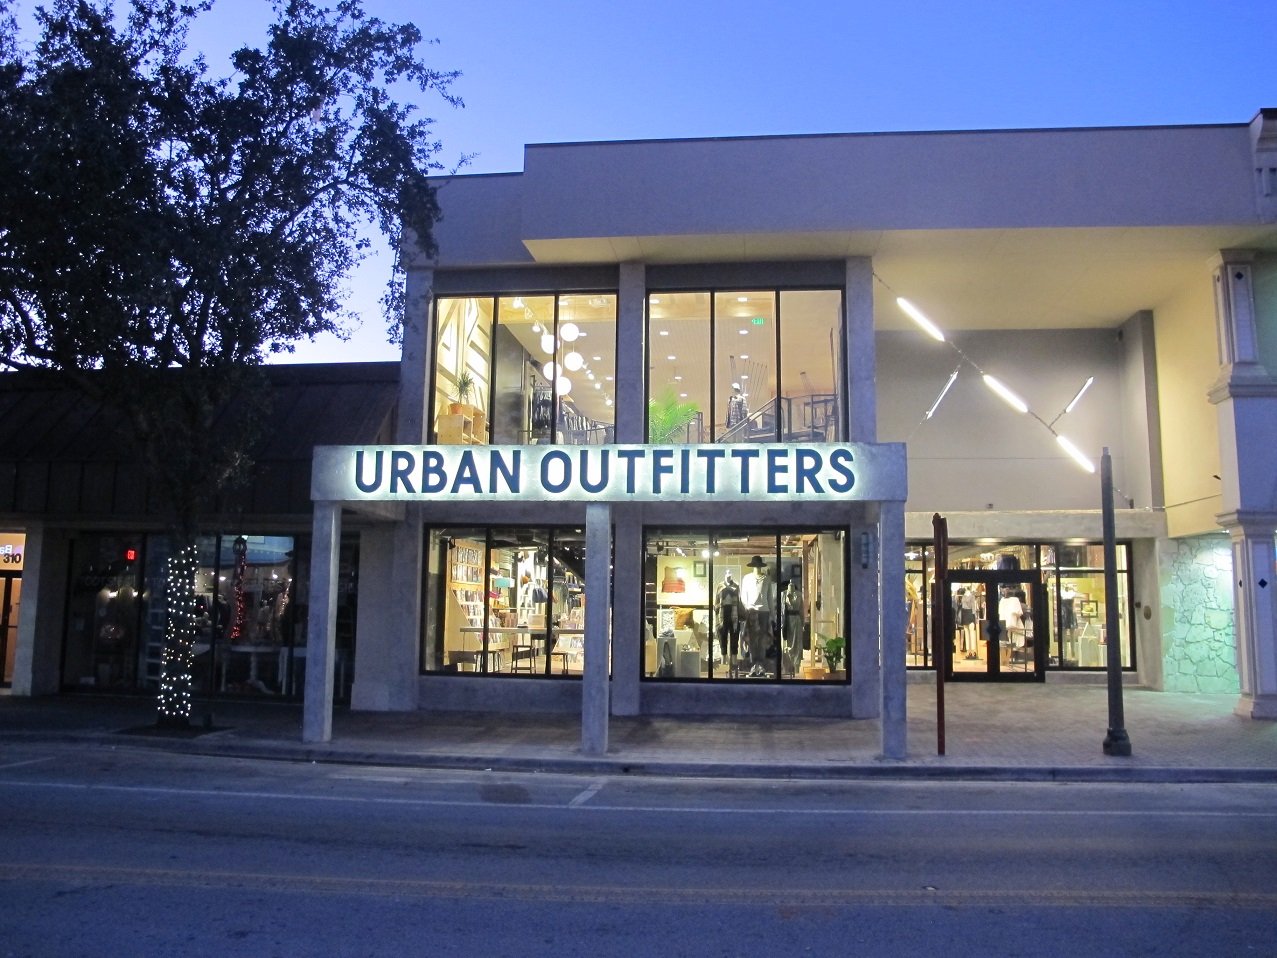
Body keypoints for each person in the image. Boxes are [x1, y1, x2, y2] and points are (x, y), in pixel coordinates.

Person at [740, 556, 774, 676]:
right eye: (755, 565)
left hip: (764, 611)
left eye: (758, 565)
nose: (757, 567)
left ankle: (761, 665)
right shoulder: (747, 578)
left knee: (762, 640)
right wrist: (748, 608)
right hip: (751, 612)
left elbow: (770, 598)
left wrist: (772, 616)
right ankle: (754, 665)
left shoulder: (767, 579)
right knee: (752, 639)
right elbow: (743, 596)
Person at [715, 572, 743, 665]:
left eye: (730, 575)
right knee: (723, 638)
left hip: (734, 612)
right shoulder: (720, 586)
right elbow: (716, 603)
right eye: (727, 575)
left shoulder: (736, 586)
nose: (728, 576)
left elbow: (739, 601)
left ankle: (734, 664)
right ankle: (724, 664)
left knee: (734, 638)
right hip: (722, 613)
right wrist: (718, 608)